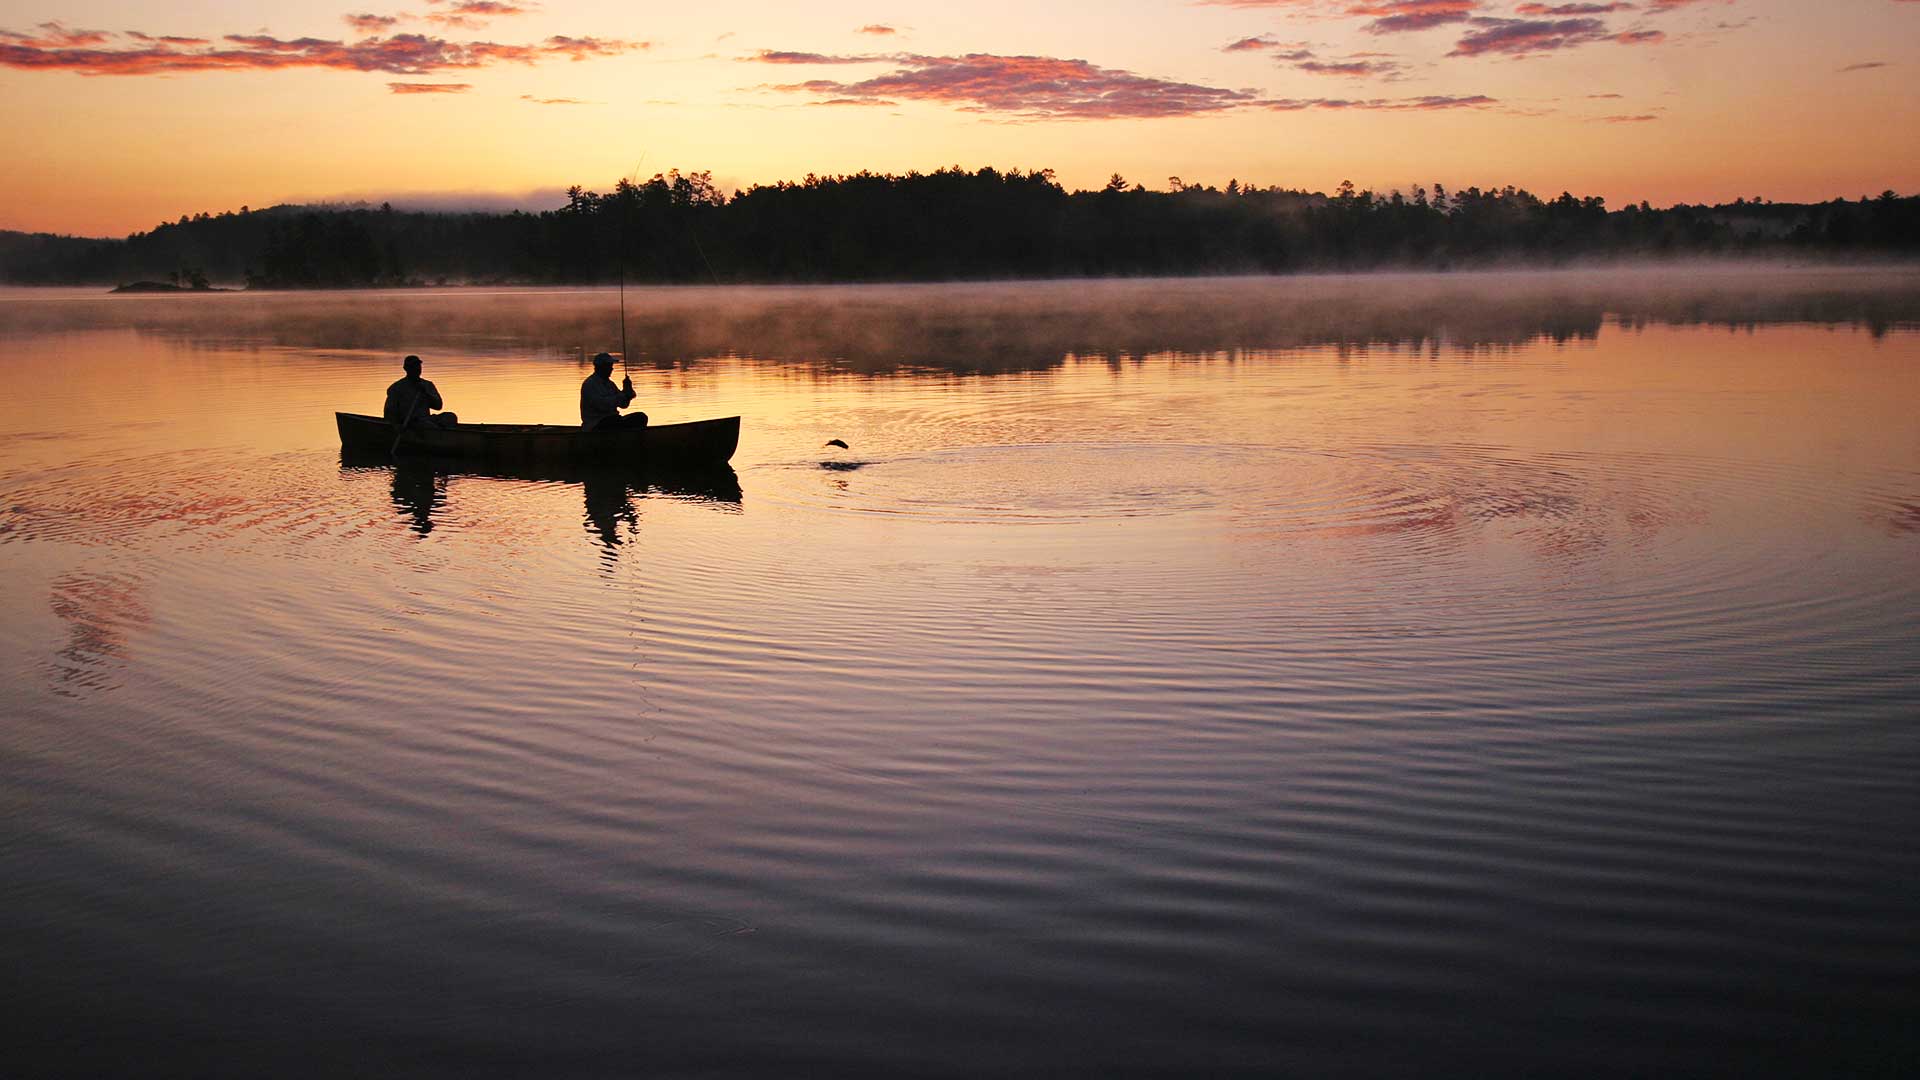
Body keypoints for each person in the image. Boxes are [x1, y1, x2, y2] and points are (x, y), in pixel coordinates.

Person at [383, 355, 458, 429]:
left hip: (427, 419)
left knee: (451, 417)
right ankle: (437, 432)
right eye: (413, 366)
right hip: (409, 422)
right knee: (427, 425)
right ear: (406, 369)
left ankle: (440, 431)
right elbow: (388, 412)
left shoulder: (427, 385)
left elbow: (438, 406)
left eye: (418, 366)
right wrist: (396, 425)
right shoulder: (397, 387)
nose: (417, 368)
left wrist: (425, 393)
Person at [580, 352, 647, 431]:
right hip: (595, 425)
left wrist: (627, 391)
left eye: (611, 366)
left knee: (641, 417)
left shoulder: (610, 384)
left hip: (614, 420)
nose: (612, 369)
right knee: (613, 421)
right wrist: (623, 395)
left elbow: (623, 405)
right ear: (600, 367)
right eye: (609, 366)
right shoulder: (590, 384)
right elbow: (602, 405)